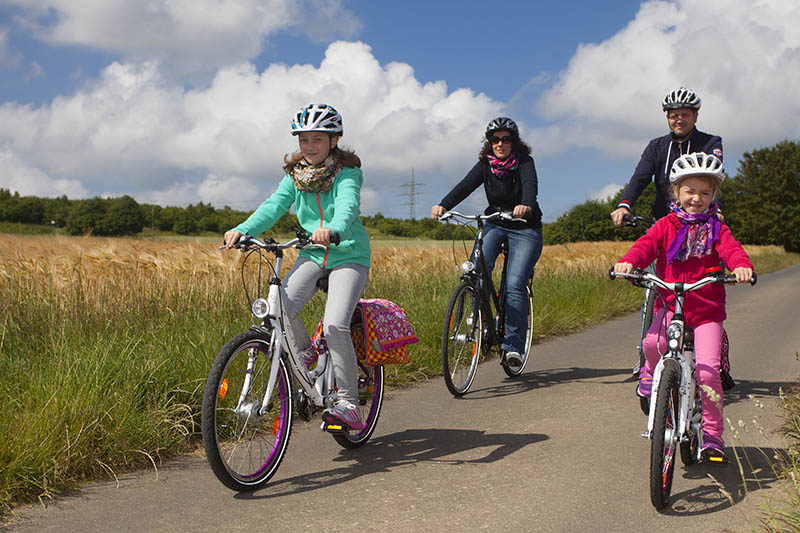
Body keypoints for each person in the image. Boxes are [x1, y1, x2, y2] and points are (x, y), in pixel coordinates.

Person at [223, 103, 370, 430]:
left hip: (347, 254)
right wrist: (244, 230)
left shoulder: (348, 174)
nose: (309, 146)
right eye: (304, 140)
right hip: (312, 254)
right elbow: (273, 206)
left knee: (334, 326)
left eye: (318, 139)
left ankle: (348, 403)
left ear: (334, 140)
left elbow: (347, 205)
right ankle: (307, 356)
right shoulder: (294, 176)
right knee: (278, 310)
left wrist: (333, 229)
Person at [612, 152, 754, 463]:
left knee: (707, 373)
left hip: (706, 312)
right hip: (670, 303)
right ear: (676, 192)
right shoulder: (666, 224)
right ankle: (649, 376)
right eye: (690, 191)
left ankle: (714, 436)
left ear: (713, 195)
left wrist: (741, 266)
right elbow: (645, 245)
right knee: (652, 342)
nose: (697, 198)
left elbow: (732, 251)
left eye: (705, 193)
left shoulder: (717, 228)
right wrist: (629, 262)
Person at [431, 117, 543, 367]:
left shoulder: (525, 162)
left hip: (525, 227)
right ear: (489, 143)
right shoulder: (485, 165)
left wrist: (526, 204)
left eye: (506, 139)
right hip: (495, 222)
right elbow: (465, 186)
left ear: (514, 142)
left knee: (514, 283)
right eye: (495, 139)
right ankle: (478, 322)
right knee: (475, 271)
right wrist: (443, 205)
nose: (500, 144)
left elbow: (530, 185)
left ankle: (514, 346)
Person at [610, 87, 723, 226]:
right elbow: (640, 178)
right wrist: (624, 206)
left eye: (685, 115)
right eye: (674, 115)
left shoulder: (711, 143)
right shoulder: (656, 147)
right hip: (663, 220)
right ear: (668, 118)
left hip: (701, 219)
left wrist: (717, 209)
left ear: (695, 116)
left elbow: (713, 178)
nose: (679, 120)